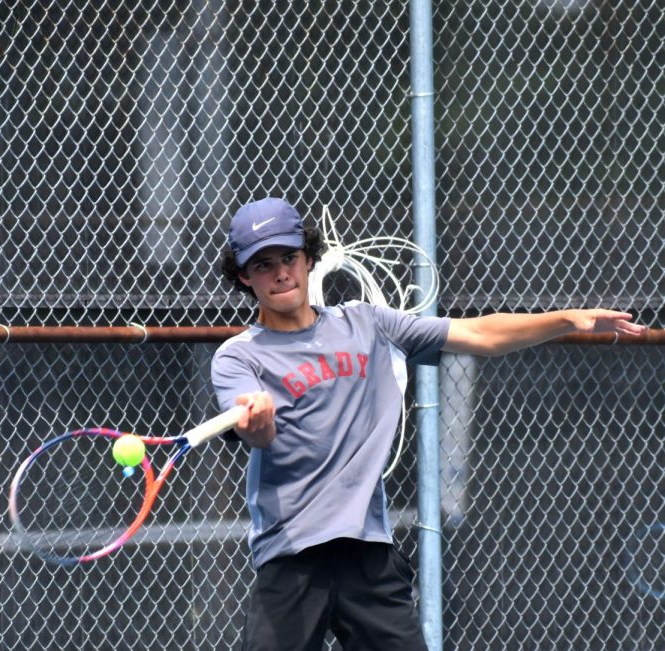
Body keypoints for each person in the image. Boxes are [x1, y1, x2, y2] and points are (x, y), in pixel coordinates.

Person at [210, 197, 647, 651]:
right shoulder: (239, 357)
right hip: (290, 559)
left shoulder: (368, 324)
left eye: (288, 257)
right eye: (263, 264)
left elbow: (479, 334)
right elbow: (254, 431)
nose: (280, 273)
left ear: (309, 258)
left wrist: (566, 319)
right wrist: (258, 418)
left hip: (368, 554)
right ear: (243, 276)